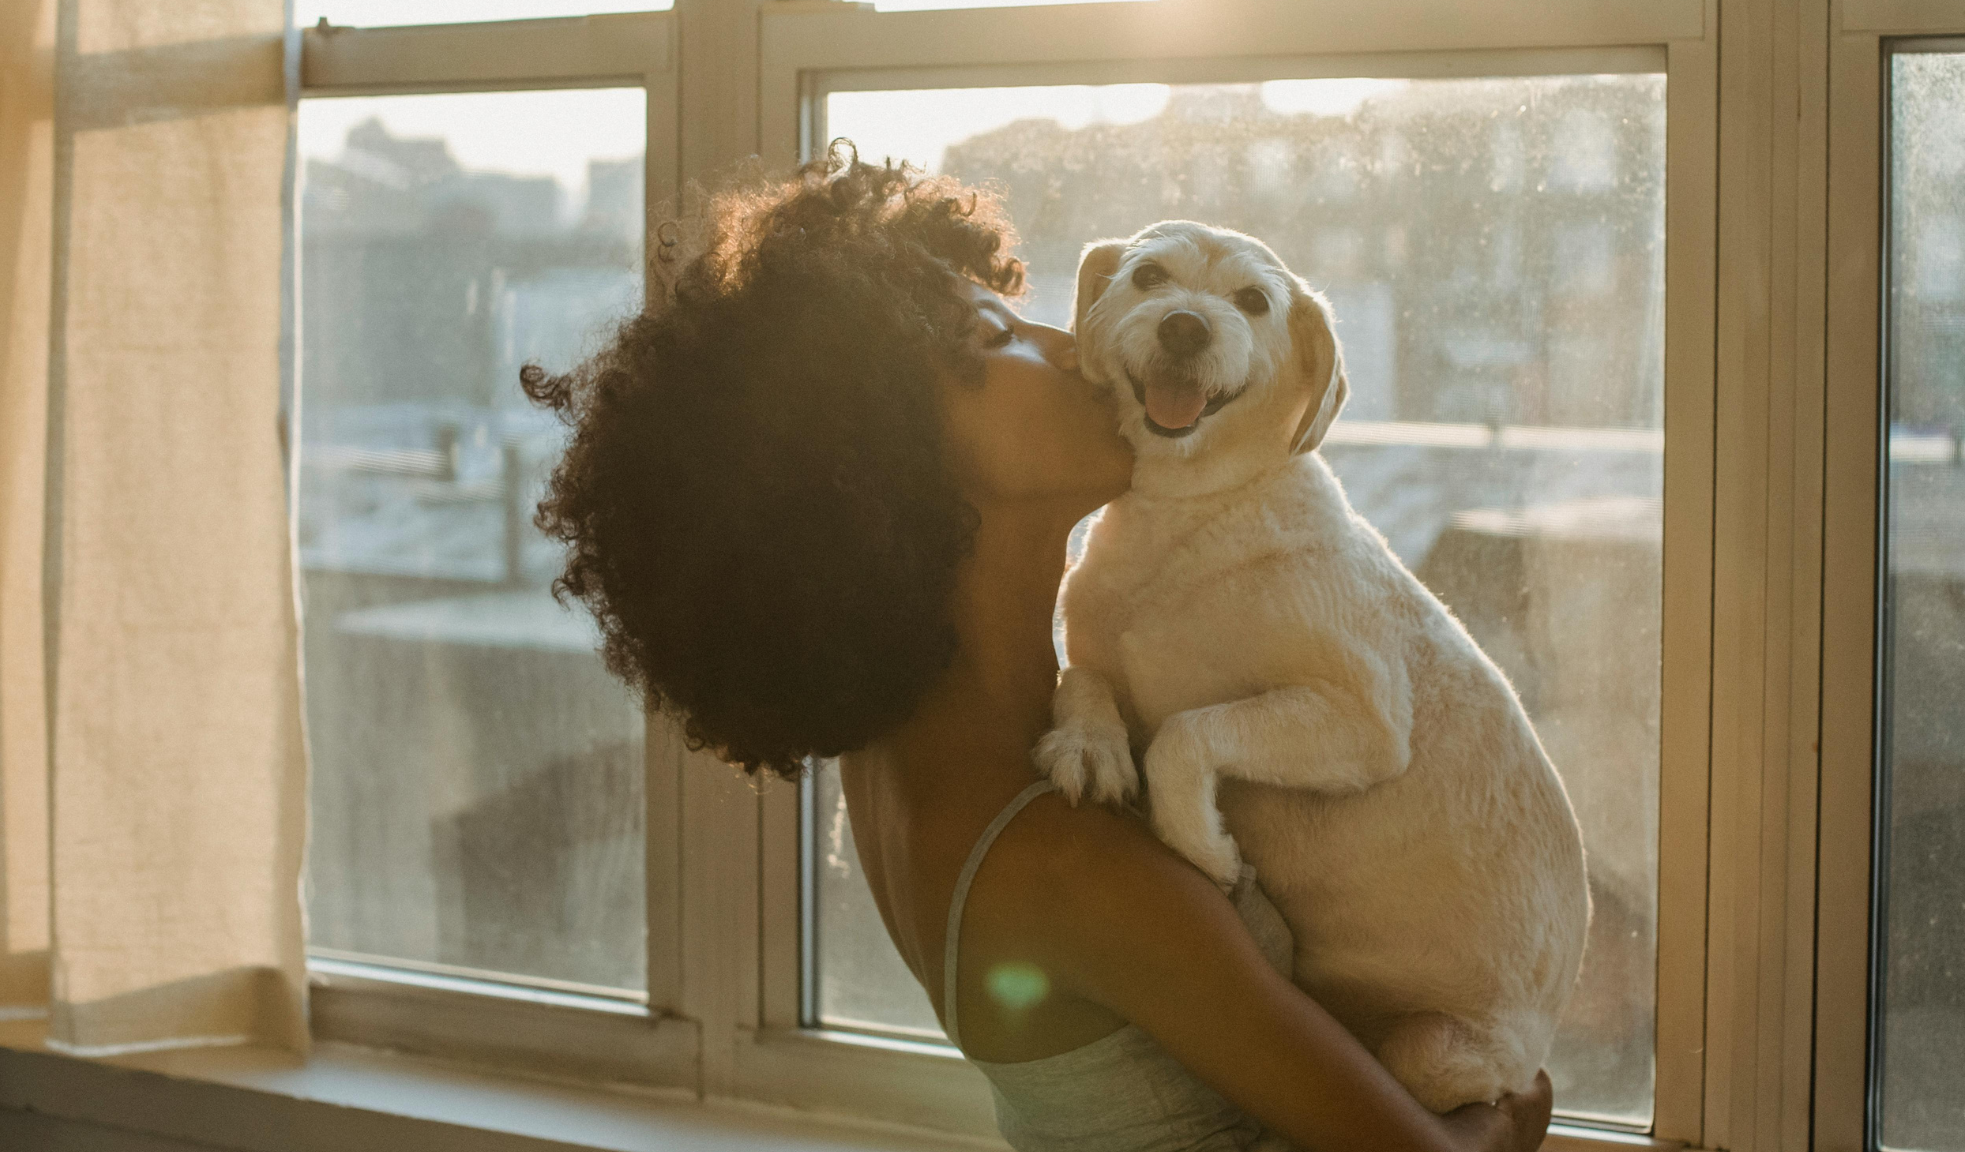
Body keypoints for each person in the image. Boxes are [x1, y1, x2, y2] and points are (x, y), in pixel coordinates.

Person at [522, 145, 1554, 1152]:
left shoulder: (899, 755)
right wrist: (1504, 1118)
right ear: (880, 453)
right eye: (993, 336)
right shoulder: (1072, 869)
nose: (1065, 343)